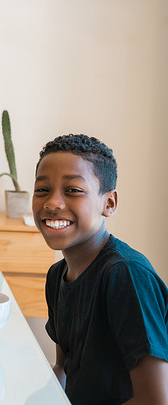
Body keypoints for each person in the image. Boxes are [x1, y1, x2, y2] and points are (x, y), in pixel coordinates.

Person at [34, 134, 168, 404]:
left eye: (72, 190)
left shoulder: (126, 274)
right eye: (42, 190)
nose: (52, 203)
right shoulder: (57, 276)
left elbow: (155, 400)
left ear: (109, 203)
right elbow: (64, 368)